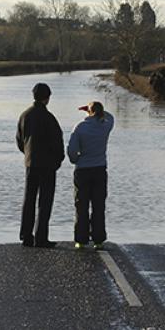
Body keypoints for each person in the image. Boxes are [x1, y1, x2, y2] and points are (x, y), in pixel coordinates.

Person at [16, 82, 65, 248]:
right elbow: (58, 142)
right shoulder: (49, 118)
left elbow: (20, 140)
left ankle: (26, 235)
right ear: (47, 98)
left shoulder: (25, 115)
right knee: (45, 201)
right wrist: (57, 161)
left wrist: (28, 155)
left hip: (31, 163)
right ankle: (41, 237)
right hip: (48, 165)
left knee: (28, 199)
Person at [67, 101, 114, 250]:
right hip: (100, 169)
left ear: (89, 112)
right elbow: (111, 117)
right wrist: (96, 111)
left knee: (81, 205)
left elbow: (72, 151)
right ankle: (98, 239)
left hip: (83, 170)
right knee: (98, 205)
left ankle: (81, 240)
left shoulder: (80, 127)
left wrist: (76, 160)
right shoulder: (105, 126)